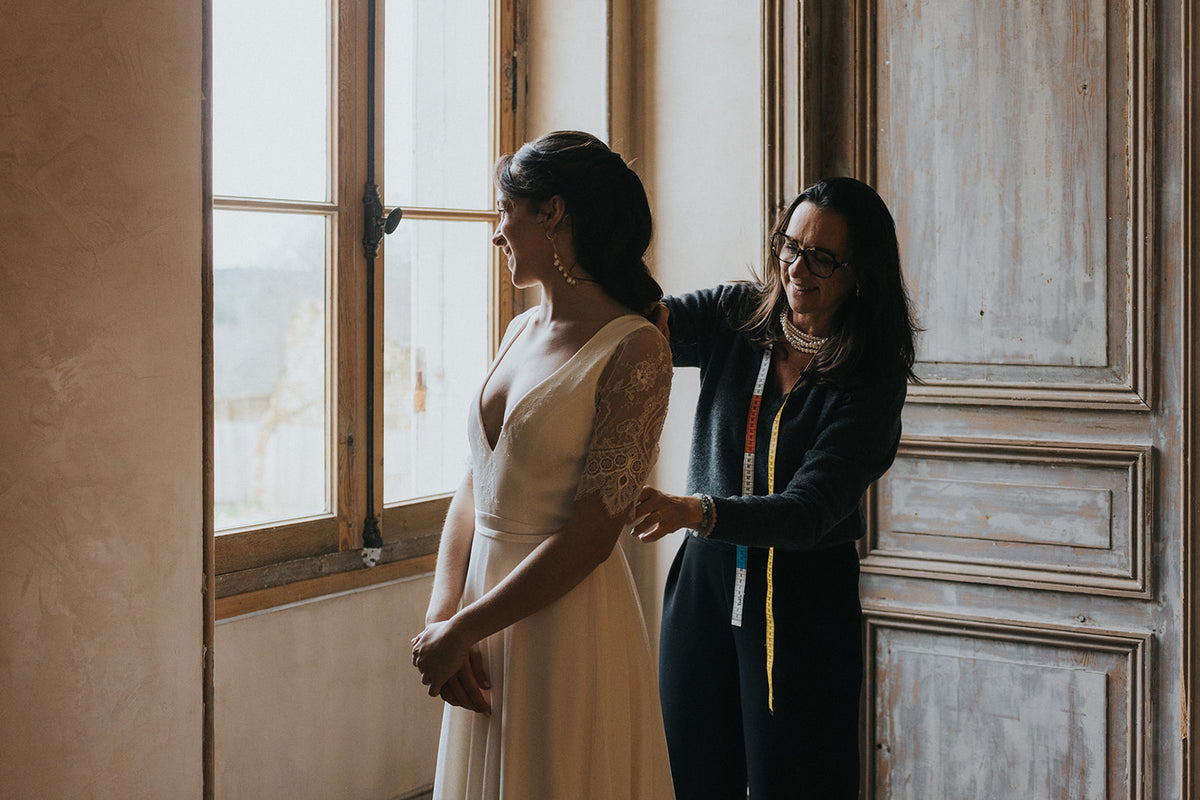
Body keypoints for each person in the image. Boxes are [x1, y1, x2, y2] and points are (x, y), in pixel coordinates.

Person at [632, 176, 919, 799]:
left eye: (821, 257)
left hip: (803, 610)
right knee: (690, 779)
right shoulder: (735, 316)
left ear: (861, 271)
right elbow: (638, 322)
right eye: (789, 246)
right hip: (703, 594)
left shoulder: (872, 376)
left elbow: (809, 511)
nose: (796, 267)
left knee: (795, 785)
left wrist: (694, 509)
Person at [410, 131, 676, 800]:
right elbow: (475, 484)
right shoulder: (518, 332)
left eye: (506, 210)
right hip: (480, 608)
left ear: (552, 212)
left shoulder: (635, 348)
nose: (498, 233)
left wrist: (466, 626)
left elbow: (593, 533)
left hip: (568, 619)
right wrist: (445, 615)